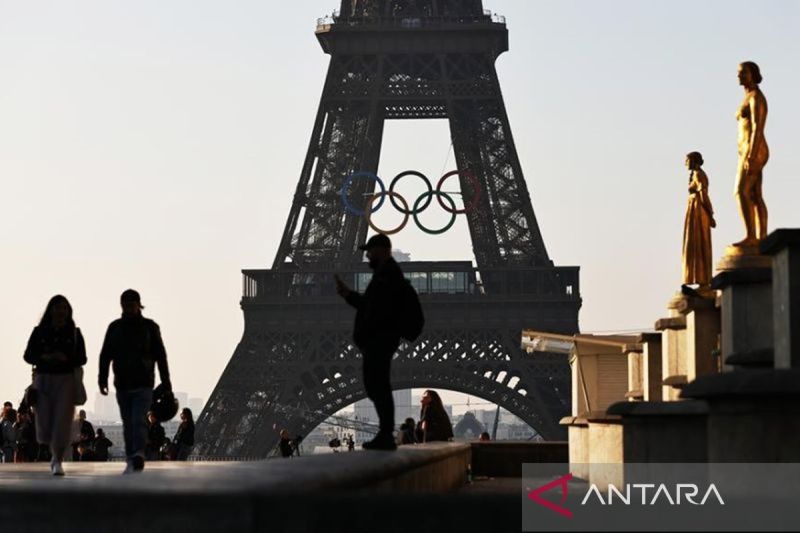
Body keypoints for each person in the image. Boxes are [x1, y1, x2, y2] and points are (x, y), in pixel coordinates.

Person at [335, 234, 408, 451]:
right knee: (376, 384)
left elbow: (375, 307)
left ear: (382, 250)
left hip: (380, 339)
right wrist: (348, 294)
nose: (367, 255)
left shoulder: (387, 276)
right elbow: (370, 305)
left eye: (370, 251)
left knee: (378, 385)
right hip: (379, 338)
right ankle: (385, 432)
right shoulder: (383, 275)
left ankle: (386, 433)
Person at [98, 289, 172, 474]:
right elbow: (106, 355)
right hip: (127, 383)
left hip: (141, 383)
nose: (129, 308)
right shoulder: (146, 328)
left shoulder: (120, 328)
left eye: (131, 305)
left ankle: (136, 454)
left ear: (139, 305)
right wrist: (102, 378)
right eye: (126, 305)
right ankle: (134, 455)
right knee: (130, 421)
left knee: (136, 420)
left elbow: (106, 355)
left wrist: (103, 377)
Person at [23, 295, 88, 475]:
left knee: (62, 421)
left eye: (64, 309)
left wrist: (65, 359)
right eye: (58, 308)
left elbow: (82, 358)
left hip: (65, 380)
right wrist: (44, 357)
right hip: (43, 380)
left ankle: (57, 459)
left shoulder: (75, 333)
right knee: (44, 424)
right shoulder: (39, 332)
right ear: (51, 310)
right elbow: (28, 355)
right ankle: (53, 451)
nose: (61, 312)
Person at [734, 61, 769, 247]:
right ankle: (761, 238)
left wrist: (752, 155)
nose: (739, 76)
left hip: (754, 150)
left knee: (741, 192)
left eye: (743, 72)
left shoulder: (756, 97)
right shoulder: (747, 97)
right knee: (755, 194)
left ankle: (751, 236)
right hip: (747, 150)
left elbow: (757, 127)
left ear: (752, 74)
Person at [682, 152, 716, 292]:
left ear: (694, 161)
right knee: (694, 243)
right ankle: (699, 278)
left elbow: (703, 195)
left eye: (687, 160)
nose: (685, 163)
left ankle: (704, 280)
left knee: (699, 242)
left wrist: (710, 213)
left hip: (699, 210)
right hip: (694, 209)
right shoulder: (695, 175)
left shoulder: (699, 175)